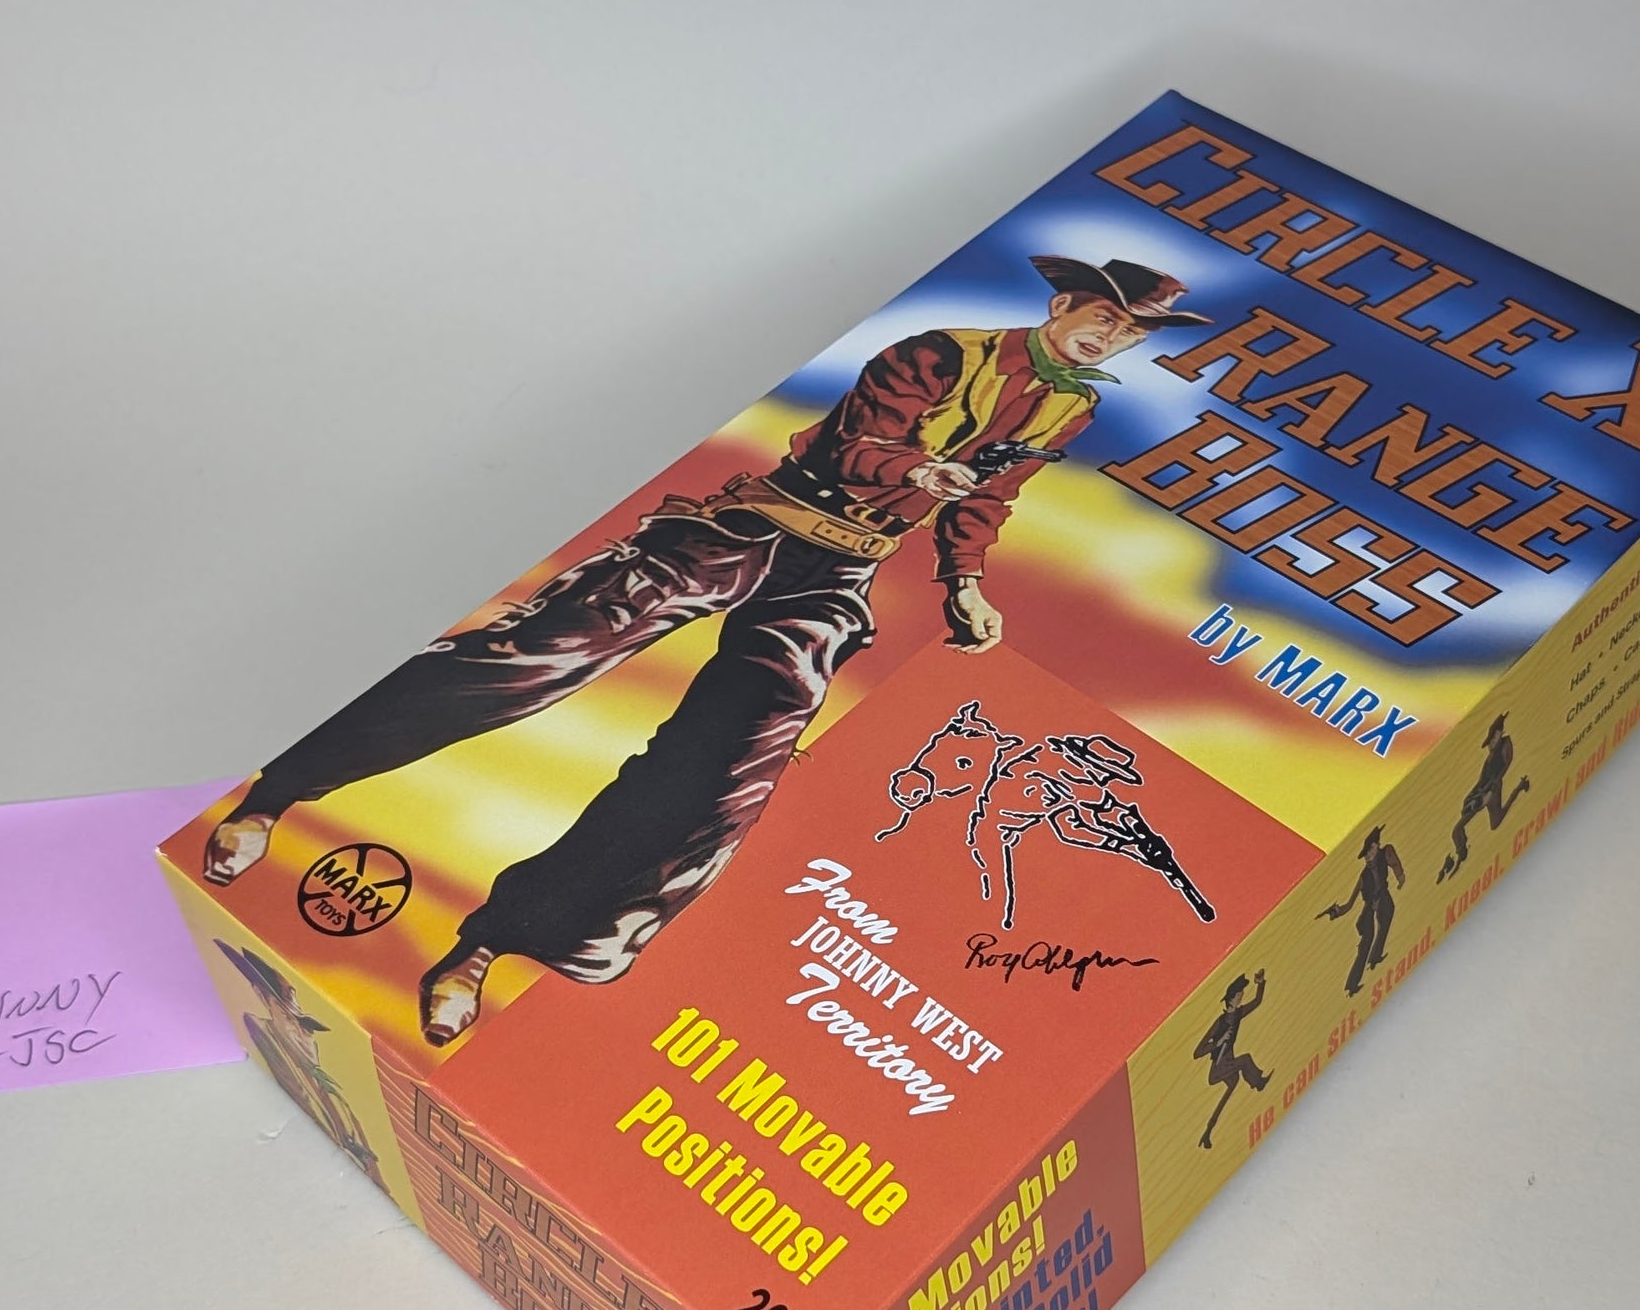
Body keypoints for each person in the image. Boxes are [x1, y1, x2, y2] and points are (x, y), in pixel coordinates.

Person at [199, 256, 1210, 1045]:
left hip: (838, 575)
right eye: (1103, 314)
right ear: (1063, 304)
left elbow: (989, 499)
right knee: (539, 658)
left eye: (1129, 330)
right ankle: (273, 794)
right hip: (753, 526)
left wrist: (964, 583)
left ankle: (490, 948)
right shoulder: (939, 352)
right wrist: (915, 471)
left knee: (725, 773)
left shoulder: (1073, 405)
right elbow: (859, 442)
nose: (1110, 336)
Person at [214, 940, 386, 1191]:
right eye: (292, 1019)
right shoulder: (263, 1030)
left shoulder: (326, 1085)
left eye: (304, 1027)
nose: (304, 1035)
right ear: (262, 996)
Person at [1436, 713, 1530, 882]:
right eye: (1490, 740)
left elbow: (1504, 768)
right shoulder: (1491, 755)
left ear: (1499, 734)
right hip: (1482, 792)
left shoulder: (1505, 746)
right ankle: (1459, 854)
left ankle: (1518, 788)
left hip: (1491, 791)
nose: (1491, 743)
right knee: (1460, 829)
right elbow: (1481, 779)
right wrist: (1473, 795)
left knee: (1492, 824)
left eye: (1494, 738)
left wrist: (1489, 791)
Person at [1320, 826, 1406, 996]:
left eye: (1369, 852)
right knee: (1367, 939)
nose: (1367, 857)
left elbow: (1394, 862)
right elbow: (1349, 904)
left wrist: (1400, 876)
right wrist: (1336, 912)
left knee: (1387, 913)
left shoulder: (1385, 853)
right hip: (1368, 909)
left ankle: (1375, 957)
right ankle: (1352, 985)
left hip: (1383, 897)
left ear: (1376, 846)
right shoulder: (1364, 876)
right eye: (1365, 855)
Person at [1192, 969, 1271, 1149]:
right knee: (1245, 1060)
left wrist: (1260, 983)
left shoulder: (1237, 1015)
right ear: (1231, 999)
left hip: (1229, 1062)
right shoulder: (1220, 1022)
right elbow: (1197, 1052)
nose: (1241, 998)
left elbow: (1257, 1002)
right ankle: (1258, 1083)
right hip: (1219, 1066)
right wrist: (1218, 1042)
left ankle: (1207, 1132)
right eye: (1239, 995)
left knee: (1229, 1092)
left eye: (1242, 995)